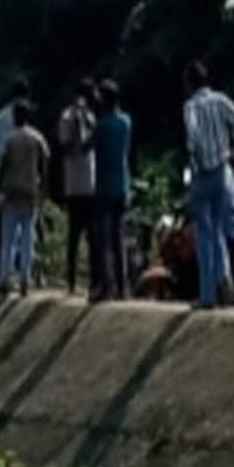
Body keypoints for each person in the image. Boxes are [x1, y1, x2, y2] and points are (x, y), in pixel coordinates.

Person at [183, 62, 234, 309]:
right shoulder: (220, 100)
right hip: (222, 169)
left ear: (190, 83)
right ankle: (225, 277)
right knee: (220, 228)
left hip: (201, 174)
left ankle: (208, 295)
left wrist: (196, 156)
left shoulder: (190, 107)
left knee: (204, 234)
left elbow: (192, 136)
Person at [0, 99, 50, 294]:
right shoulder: (37, 138)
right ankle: (26, 278)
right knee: (28, 237)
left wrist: (0, 189)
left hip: (11, 191)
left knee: (8, 237)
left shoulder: (9, 139)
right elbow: (45, 163)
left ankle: (5, 277)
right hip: (30, 191)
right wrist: (43, 188)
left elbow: (3, 165)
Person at [91, 80, 133, 301]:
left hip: (104, 187)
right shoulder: (126, 122)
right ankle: (123, 286)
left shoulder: (102, 126)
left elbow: (89, 146)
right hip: (123, 185)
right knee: (120, 239)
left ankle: (107, 286)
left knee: (104, 240)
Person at [59, 81, 98, 294]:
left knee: (92, 236)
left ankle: (93, 282)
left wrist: (87, 125)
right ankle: (71, 281)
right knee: (73, 237)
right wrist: (77, 124)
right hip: (74, 184)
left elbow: (92, 142)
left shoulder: (91, 117)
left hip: (89, 183)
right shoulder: (67, 117)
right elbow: (66, 147)